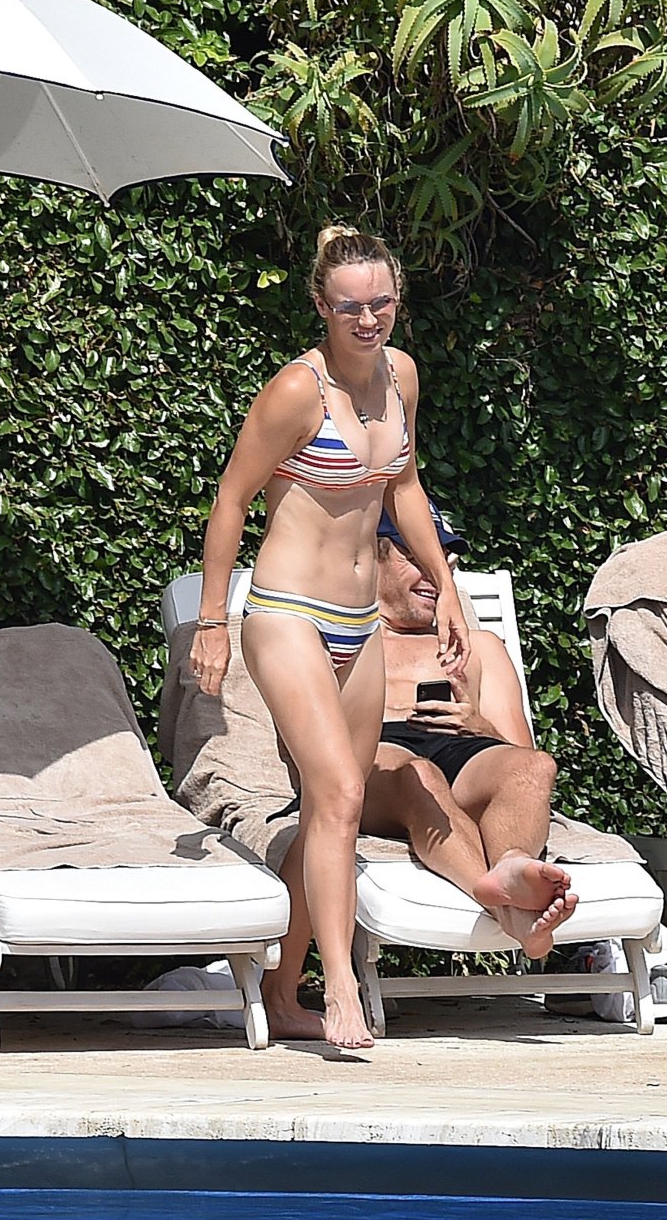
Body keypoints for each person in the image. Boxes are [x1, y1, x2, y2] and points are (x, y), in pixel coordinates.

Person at [189, 226, 470, 1049]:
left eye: (381, 303)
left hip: (360, 620)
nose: (367, 319)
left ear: (397, 301)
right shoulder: (295, 390)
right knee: (343, 792)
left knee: (328, 808)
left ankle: (282, 995)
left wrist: (446, 588)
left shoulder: (401, 376)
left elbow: (403, 486)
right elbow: (231, 499)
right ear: (321, 305)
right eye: (350, 307)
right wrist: (212, 621)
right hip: (287, 613)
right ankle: (339, 984)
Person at [259, 501, 578, 1043]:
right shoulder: (339, 639)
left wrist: (477, 722)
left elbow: (519, 753)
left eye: (447, 563)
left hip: (463, 751)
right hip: (379, 756)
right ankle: (499, 902)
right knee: (418, 775)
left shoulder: (479, 647)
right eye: (419, 558)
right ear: (374, 557)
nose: (437, 574)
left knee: (533, 766)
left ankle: (510, 863)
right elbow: (307, 751)